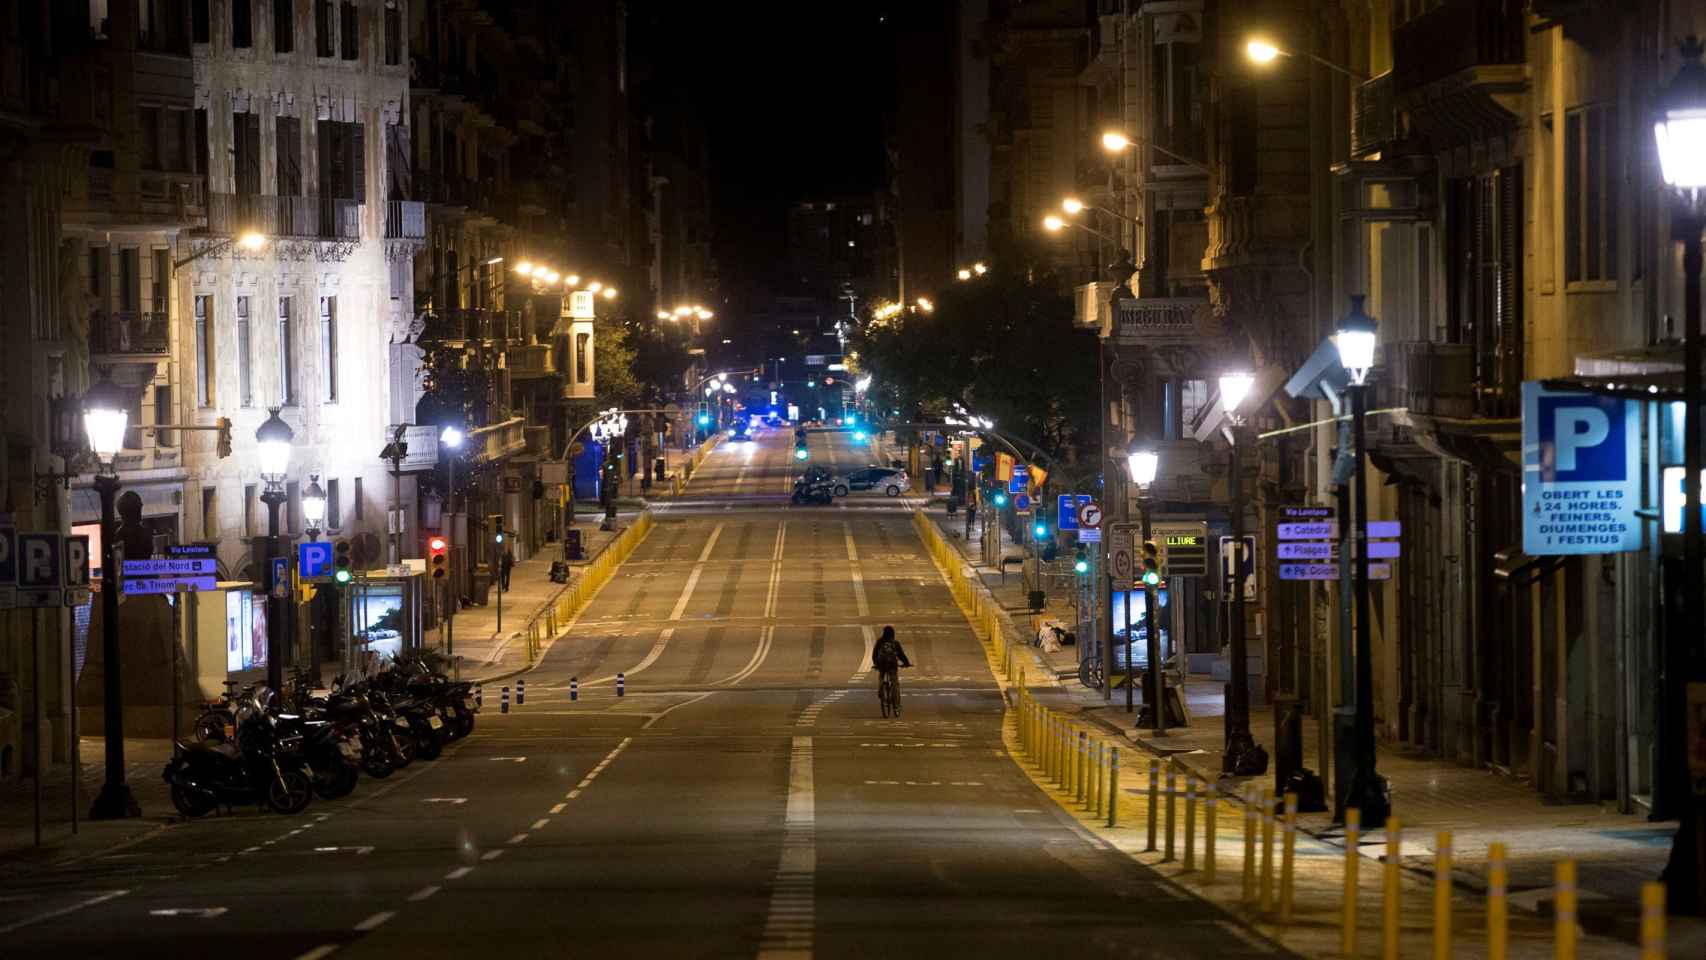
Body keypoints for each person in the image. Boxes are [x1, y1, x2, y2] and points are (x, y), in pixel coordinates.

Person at [870, 625, 912, 711]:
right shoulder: (895, 643)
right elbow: (901, 655)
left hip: (881, 665)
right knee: (894, 684)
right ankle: (896, 705)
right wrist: (906, 663)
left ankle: (881, 690)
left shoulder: (880, 642)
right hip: (892, 665)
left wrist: (876, 664)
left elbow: (874, 654)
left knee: (881, 677)